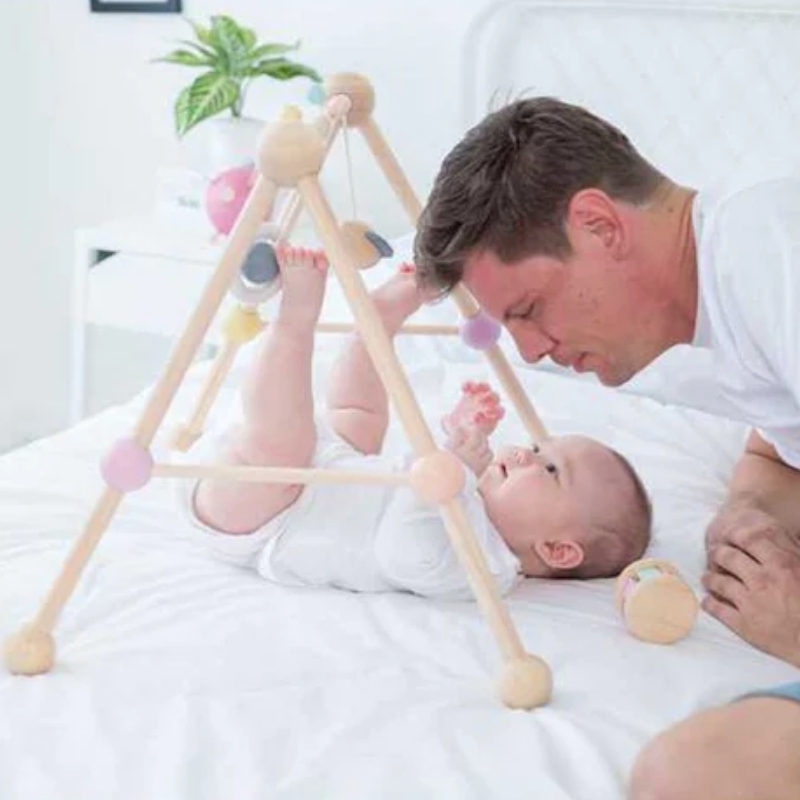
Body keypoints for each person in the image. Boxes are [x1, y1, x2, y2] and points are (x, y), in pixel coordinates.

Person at [413, 97, 800, 798]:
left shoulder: (770, 248)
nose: (531, 350)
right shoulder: (720, 318)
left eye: (528, 311)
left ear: (598, 224)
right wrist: (750, 513)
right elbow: (778, 447)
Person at [177, 244, 651, 603]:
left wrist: (454, 469)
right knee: (360, 422)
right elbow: (428, 483)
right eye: (539, 448)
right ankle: (375, 328)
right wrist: (462, 436)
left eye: (550, 471)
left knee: (281, 448)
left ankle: (293, 323)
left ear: (558, 550)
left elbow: (404, 549)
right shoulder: (481, 505)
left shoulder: (486, 566)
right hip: (325, 472)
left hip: (259, 521)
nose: (526, 453)